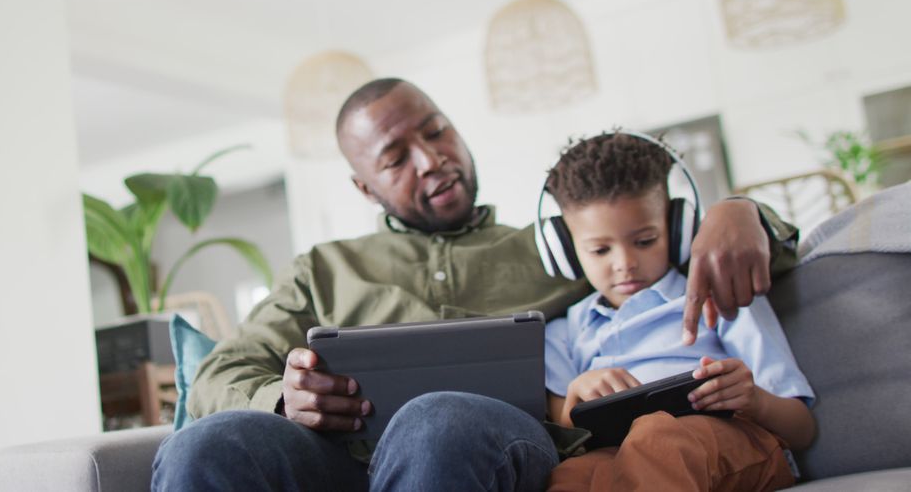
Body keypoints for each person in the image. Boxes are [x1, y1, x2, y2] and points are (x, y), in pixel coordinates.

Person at [151, 78, 799, 491]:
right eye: (396, 157)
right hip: (338, 461)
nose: (432, 159)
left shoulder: (560, 247)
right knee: (209, 444)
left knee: (437, 418)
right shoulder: (323, 270)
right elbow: (216, 376)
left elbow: (667, 253)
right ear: (364, 187)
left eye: (436, 130)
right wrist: (280, 401)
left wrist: (739, 212)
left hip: (490, 451)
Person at [540, 132, 815, 491]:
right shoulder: (566, 331)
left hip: (737, 442)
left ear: (678, 229)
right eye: (599, 250)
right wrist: (578, 389)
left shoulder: (721, 296)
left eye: (644, 241)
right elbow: (564, 428)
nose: (624, 263)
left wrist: (755, 400)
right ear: (564, 249)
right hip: (623, 453)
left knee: (656, 437)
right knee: (572, 476)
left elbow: (803, 430)